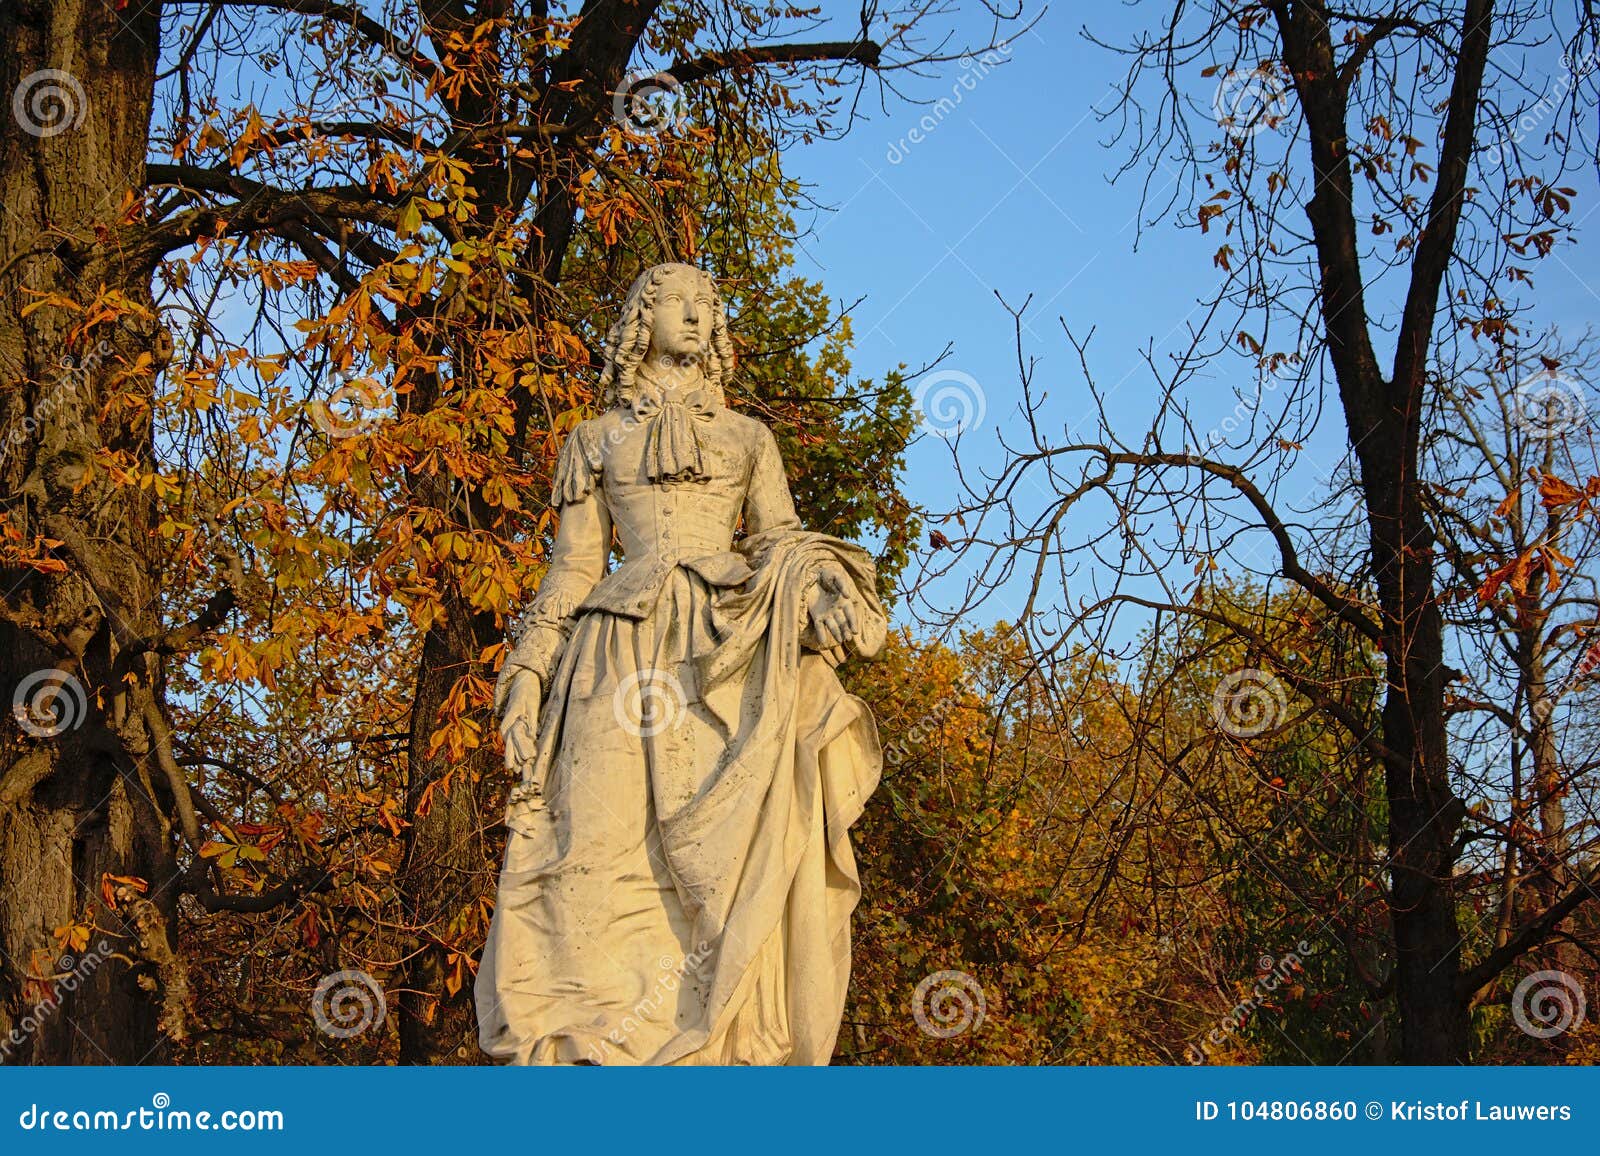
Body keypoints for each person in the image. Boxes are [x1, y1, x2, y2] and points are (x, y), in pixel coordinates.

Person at [475, 262, 887, 1065]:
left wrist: (824, 587)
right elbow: (572, 567)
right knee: (589, 838)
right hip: (613, 650)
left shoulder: (747, 438)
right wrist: (524, 676)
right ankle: (589, 1044)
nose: (696, 316)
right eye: (677, 302)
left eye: (708, 305)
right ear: (639, 319)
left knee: (720, 858)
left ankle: (719, 1045)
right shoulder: (593, 440)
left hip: (720, 650)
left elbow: (781, 542)